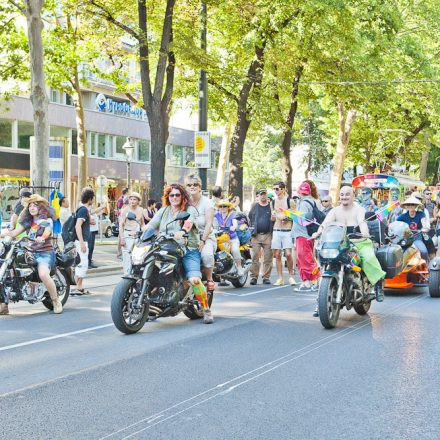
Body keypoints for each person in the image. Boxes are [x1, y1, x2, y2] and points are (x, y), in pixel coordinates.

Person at [313, 185, 386, 315]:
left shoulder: (359, 209)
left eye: (347, 194)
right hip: (341, 244)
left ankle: (378, 284)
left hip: (359, 242)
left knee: (368, 258)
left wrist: (364, 232)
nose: (344, 197)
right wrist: (318, 233)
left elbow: (362, 222)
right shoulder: (334, 211)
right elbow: (325, 224)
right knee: (324, 262)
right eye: (342, 194)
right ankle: (320, 301)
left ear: (353, 196)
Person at [146, 183, 214, 324]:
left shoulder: (190, 209)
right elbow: (152, 224)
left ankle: (206, 309)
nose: (174, 197)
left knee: (194, 279)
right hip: (165, 248)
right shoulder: (164, 211)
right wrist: (141, 231)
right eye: (172, 195)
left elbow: (188, 223)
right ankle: (154, 303)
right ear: (167, 197)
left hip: (187, 249)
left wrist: (183, 231)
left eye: (177, 195)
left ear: (183, 196)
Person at [0, 194, 63, 315]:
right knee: (9, 271)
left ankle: (56, 301)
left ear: (41, 207)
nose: (32, 207)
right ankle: (4, 305)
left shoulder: (46, 220)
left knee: (44, 274)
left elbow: (47, 231)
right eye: (30, 205)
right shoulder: (28, 222)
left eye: (35, 205)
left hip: (45, 253)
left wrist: (42, 237)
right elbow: (13, 233)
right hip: (30, 252)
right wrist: (2, 234)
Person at [185, 174, 216, 291]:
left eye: (195, 184)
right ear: (186, 187)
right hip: (188, 237)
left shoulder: (207, 202)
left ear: (199, 187)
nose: (192, 187)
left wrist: (203, 240)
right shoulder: (185, 202)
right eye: (189, 185)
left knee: (206, 255)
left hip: (205, 236)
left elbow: (209, 223)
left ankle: (209, 279)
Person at [292, 182, 321, 291]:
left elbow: (303, 218)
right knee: (304, 258)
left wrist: (291, 215)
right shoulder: (310, 200)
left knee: (305, 258)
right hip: (305, 234)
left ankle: (316, 280)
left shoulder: (304, 202)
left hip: (303, 234)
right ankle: (307, 282)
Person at [270, 181, 295, 286]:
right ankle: (280, 278)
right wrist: (273, 215)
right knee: (277, 255)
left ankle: (291, 276)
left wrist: (287, 217)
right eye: (274, 189)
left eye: (277, 189)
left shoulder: (290, 201)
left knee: (288, 254)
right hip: (276, 229)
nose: (275, 191)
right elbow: (272, 218)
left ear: (283, 189)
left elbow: (294, 216)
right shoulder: (273, 202)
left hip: (287, 230)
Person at [248, 189, 273, 285]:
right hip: (256, 235)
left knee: (268, 257)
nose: (263, 196)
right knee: (254, 256)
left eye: (264, 194)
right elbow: (250, 217)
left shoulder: (271, 206)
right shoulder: (254, 206)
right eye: (261, 194)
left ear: (267, 195)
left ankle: (266, 277)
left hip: (268, 235)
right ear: (258, 196)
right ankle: (254, 277)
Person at [214, 200, 244, 276]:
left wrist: (233, 227)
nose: (222, 208)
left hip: (231, 238)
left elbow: (235, 223)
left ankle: (239, 267)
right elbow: (212, 222)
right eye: (221, 206)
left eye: (225, 206)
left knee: (235, 250)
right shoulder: (216, 215)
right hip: (220, 238)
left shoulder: (232, 215)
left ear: (228, 207)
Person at [74, 188, 95, 295]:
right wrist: (82, 242)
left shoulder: (83, 209)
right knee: (83, 264)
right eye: (93, 198)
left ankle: (80, 286)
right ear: (90, 198)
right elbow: (78, 226)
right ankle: (78, 287)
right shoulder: (83, 210)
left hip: (81, 240)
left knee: (81, 263)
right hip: (80, 241)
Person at [397, 196, 430, 261]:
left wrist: (424, 228)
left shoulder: (421, 214)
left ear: (416, 206)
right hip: (405, 238)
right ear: (406, 206)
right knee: (398, 252)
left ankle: (425, 267)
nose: (410, 206)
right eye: (408, 204)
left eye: (412, 204)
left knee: (423, 252)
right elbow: (395, 224)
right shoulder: (403, 216)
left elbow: (424, 223)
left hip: (417, 238)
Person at [119, 192, 145, 275]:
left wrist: (147, 232)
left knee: (137, 257)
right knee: (127, 257)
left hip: (137, 236)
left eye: (134, 199)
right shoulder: (125, 210)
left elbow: (142, 224)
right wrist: (122, 238)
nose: (132, 201)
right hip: (127, 235)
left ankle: (135, 275)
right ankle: (126, 277)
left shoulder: (141, 210)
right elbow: (121, 225)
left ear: (138, 201)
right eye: (131, 199)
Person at [88, 203, 107, 269]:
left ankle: (89, 261)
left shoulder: (91, 209)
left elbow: (95, 213)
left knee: (91, 247)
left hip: (93, 230)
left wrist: (101, 211)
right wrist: (101, 207)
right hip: (90, 230)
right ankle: (88, 263)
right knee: (89, 247)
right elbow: (92, 211)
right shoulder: (87, 208)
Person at [116, 188, 129, 258]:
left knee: (121, 236)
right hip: (121, 220)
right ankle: (119, 252)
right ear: (126, 192)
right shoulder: (121, 200)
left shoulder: (121, 199)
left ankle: (120, 252)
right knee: (121, 236)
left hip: (121, 219)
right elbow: (119, 210)